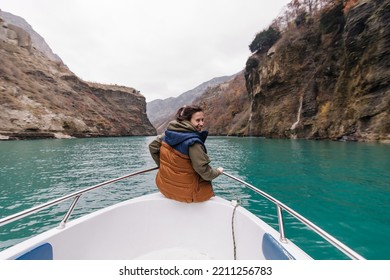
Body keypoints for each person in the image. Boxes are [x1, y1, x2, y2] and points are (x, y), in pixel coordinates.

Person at [149, 105, 224, 203]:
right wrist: (218, 171)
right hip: (188, 194)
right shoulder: (193, 143)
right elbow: (205, 173)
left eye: (202, 120)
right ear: (187, 121)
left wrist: (164, 167)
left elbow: (153, 147)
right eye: (198, 120)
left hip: (165, 188)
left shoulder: (167, 134)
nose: (201, 123)